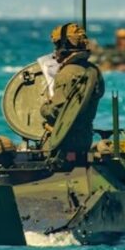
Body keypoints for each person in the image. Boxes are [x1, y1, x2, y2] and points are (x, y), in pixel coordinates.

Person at [39, 22, 105, 167]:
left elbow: (56, 111)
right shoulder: (94, 71)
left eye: (57, 46)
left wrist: (44, 108)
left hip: (64, 143)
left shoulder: (67, 74)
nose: (55, 50)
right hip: (85, 138)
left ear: (64, 46)